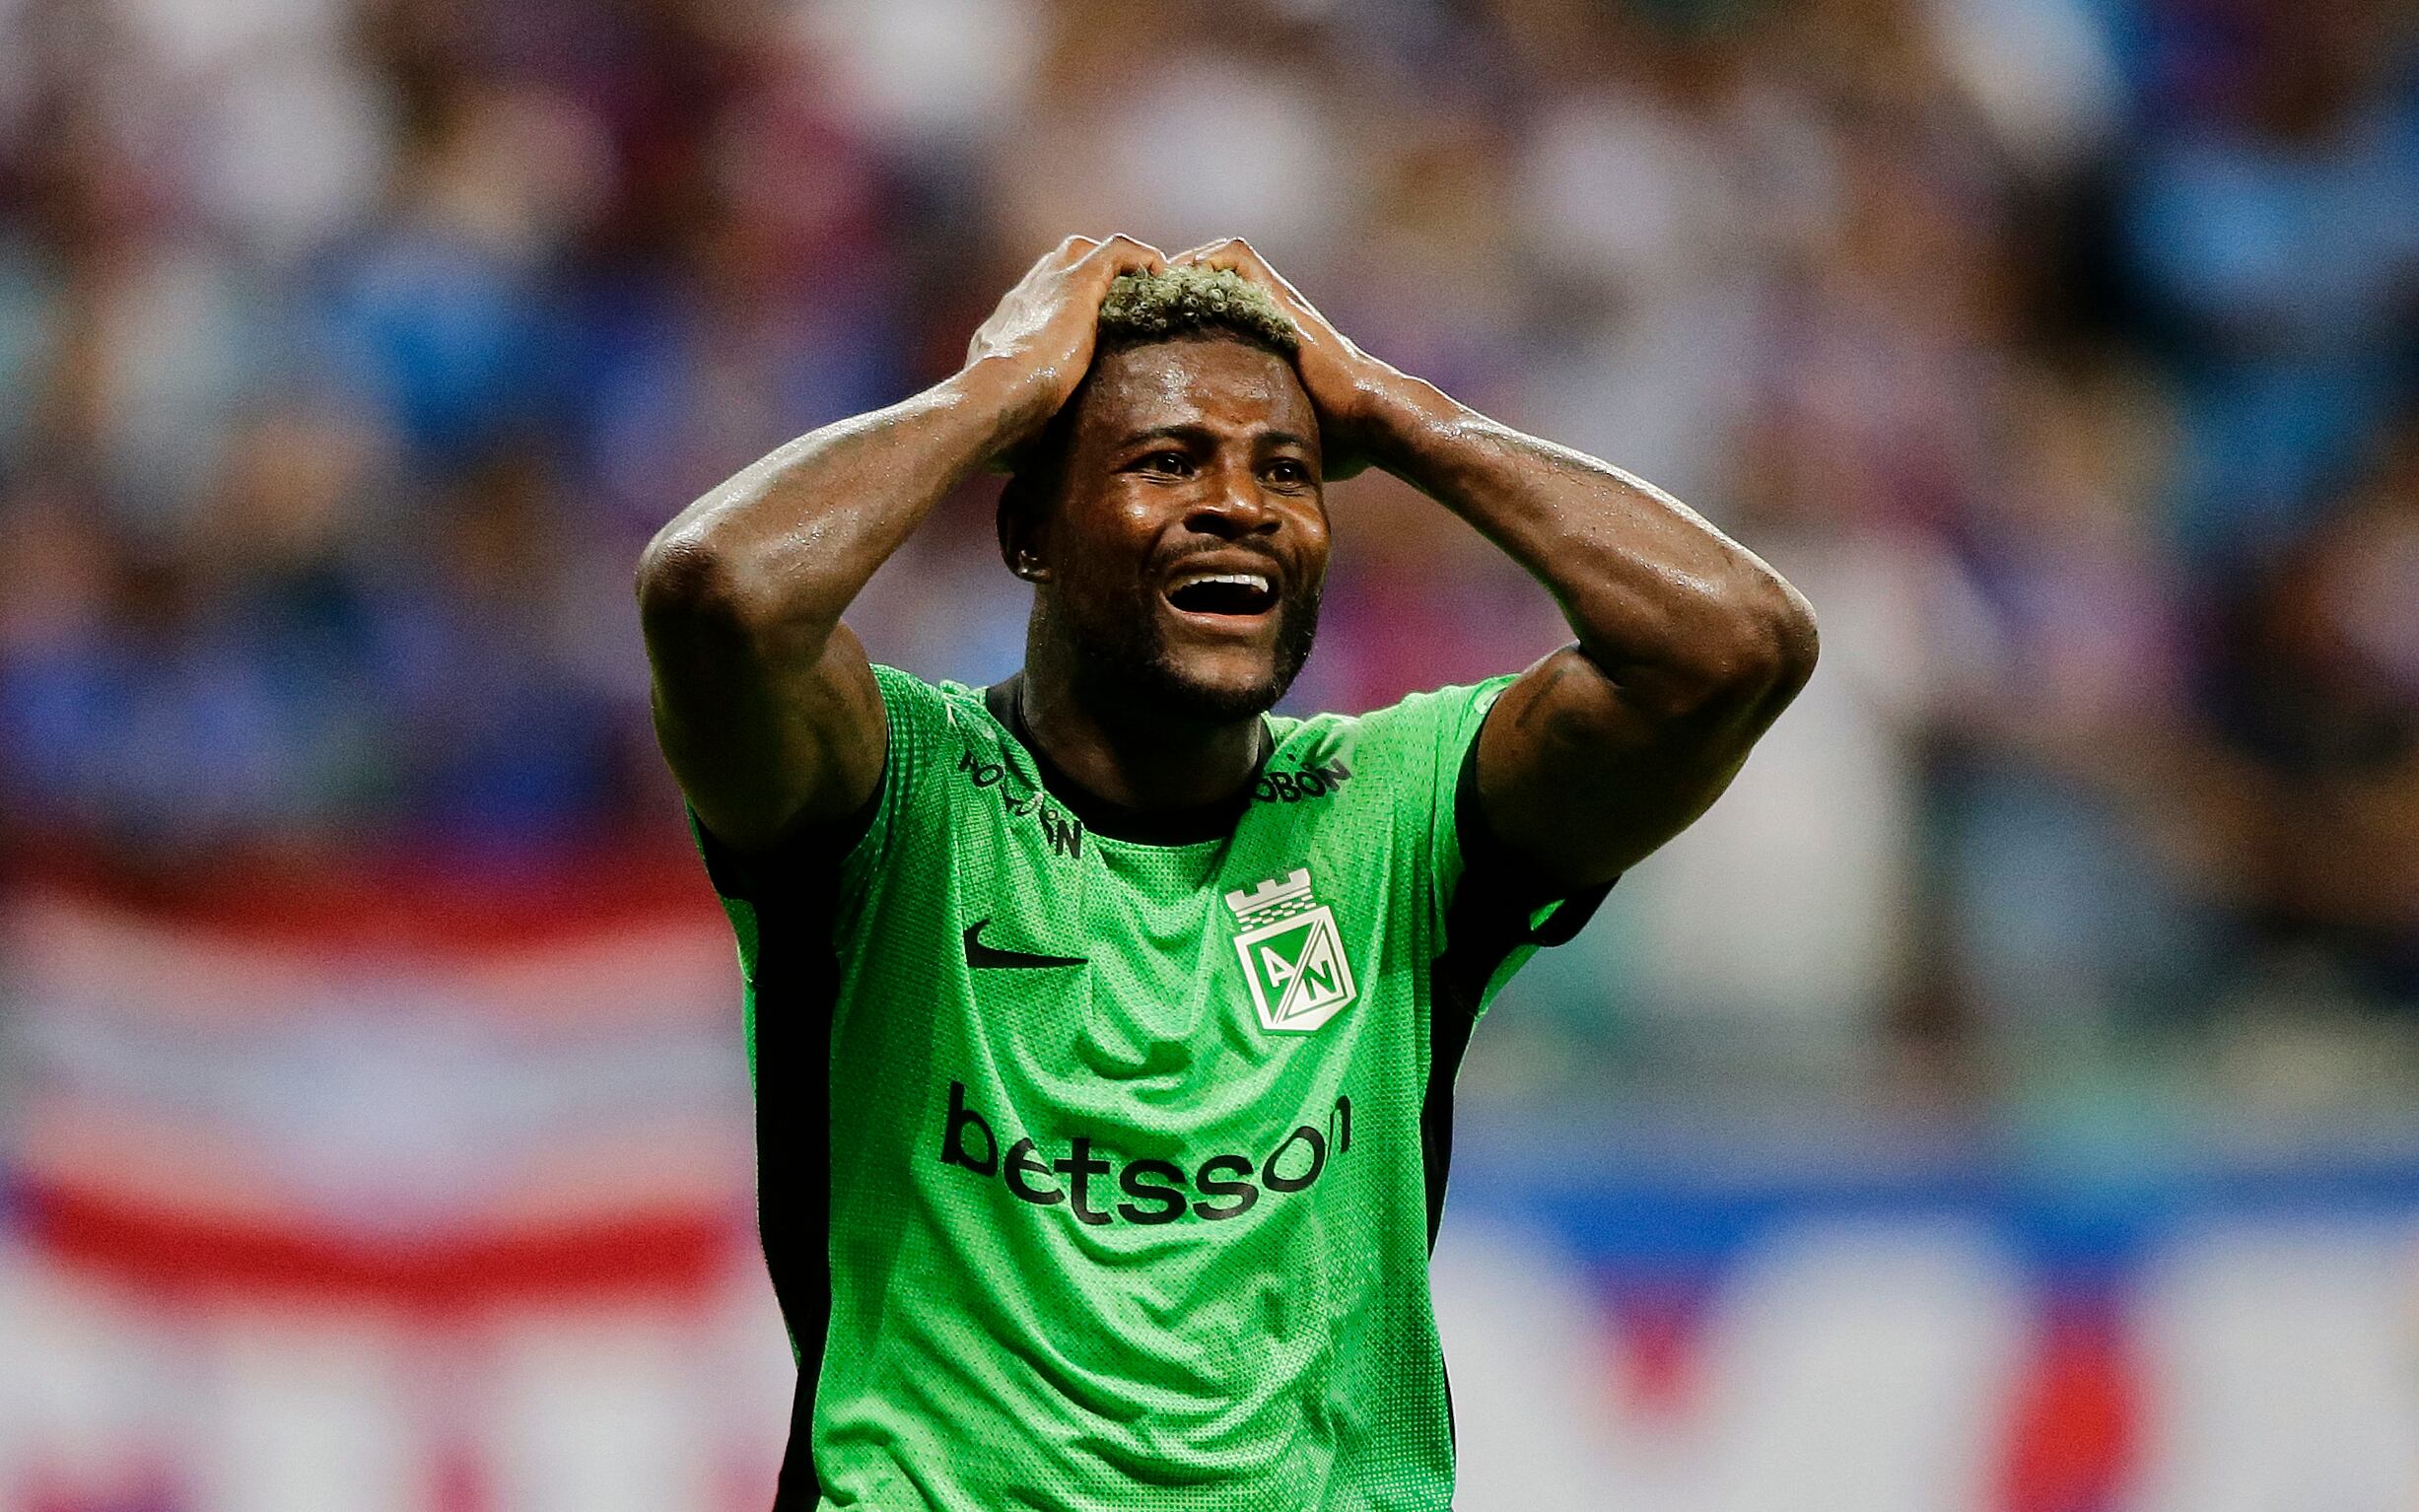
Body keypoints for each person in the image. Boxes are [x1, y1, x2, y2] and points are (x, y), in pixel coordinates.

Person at [636, 234, 1817, 1510]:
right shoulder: (897, 795)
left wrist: (1395, 409)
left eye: (1288, 470)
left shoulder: (1389, 816)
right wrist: (994, 390)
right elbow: (718, 595)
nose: (1238, 503)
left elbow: (1732, 643)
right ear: (1028, 523)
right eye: (1165, 460)